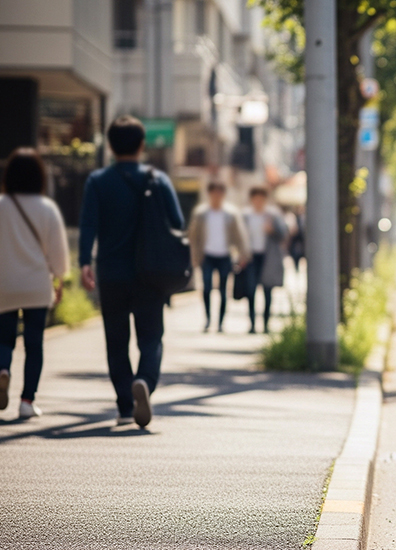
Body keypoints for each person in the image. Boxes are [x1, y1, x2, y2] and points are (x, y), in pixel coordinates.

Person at [79, 115, 185, 427]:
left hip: (111, 272)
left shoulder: (98, 181)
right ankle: (145, 382)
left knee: (116, 340)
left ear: (110, 146)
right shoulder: (157, 179)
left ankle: (126, 405)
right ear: (142, 145)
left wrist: (85, 262)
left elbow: (88, 226)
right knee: (151, 338)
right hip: (151, 272)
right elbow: (177, 223)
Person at [0, 148, 69, 420]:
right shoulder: (46, 208)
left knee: (4, 339)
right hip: (37, 285)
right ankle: (27, 401)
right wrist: (60, 278)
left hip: (4, 285)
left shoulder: (1, 205)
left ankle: (3, 370)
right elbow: (58, 252)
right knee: (34, 343)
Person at [187, 182, 249, 333]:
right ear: (209, 194)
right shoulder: (201, 213)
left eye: (219, 193)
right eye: (214, 193)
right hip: (206, 255)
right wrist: (193, 256)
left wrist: (243, 254)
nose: (216, 196)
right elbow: (193, 236)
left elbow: (239, 236)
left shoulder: (230, 214)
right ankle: (208, 319)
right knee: (206, 288)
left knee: (222, 290)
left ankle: (221, 322)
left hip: (225, 255)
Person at [242, 187, 287, 333]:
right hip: (251, 258)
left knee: (267, 291)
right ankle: (252, 324)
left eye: (261, 199)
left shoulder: (272, 215)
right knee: (250, 291)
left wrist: (272, 230)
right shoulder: (246, 216)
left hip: (268, 258)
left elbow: (284, 234)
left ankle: (266, 324)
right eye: (256, 199)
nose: (258, 202)